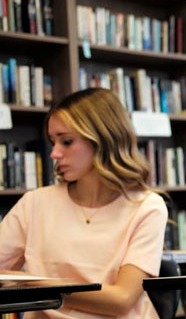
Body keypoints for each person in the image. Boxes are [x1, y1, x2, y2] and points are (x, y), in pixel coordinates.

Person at [0, 87, 168, 318]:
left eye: (67, 142)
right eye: (53, 142)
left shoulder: (147, 207)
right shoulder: (35, 203)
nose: (54, 154)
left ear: (104, 140)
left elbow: (121, 300)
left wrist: (32, 283)